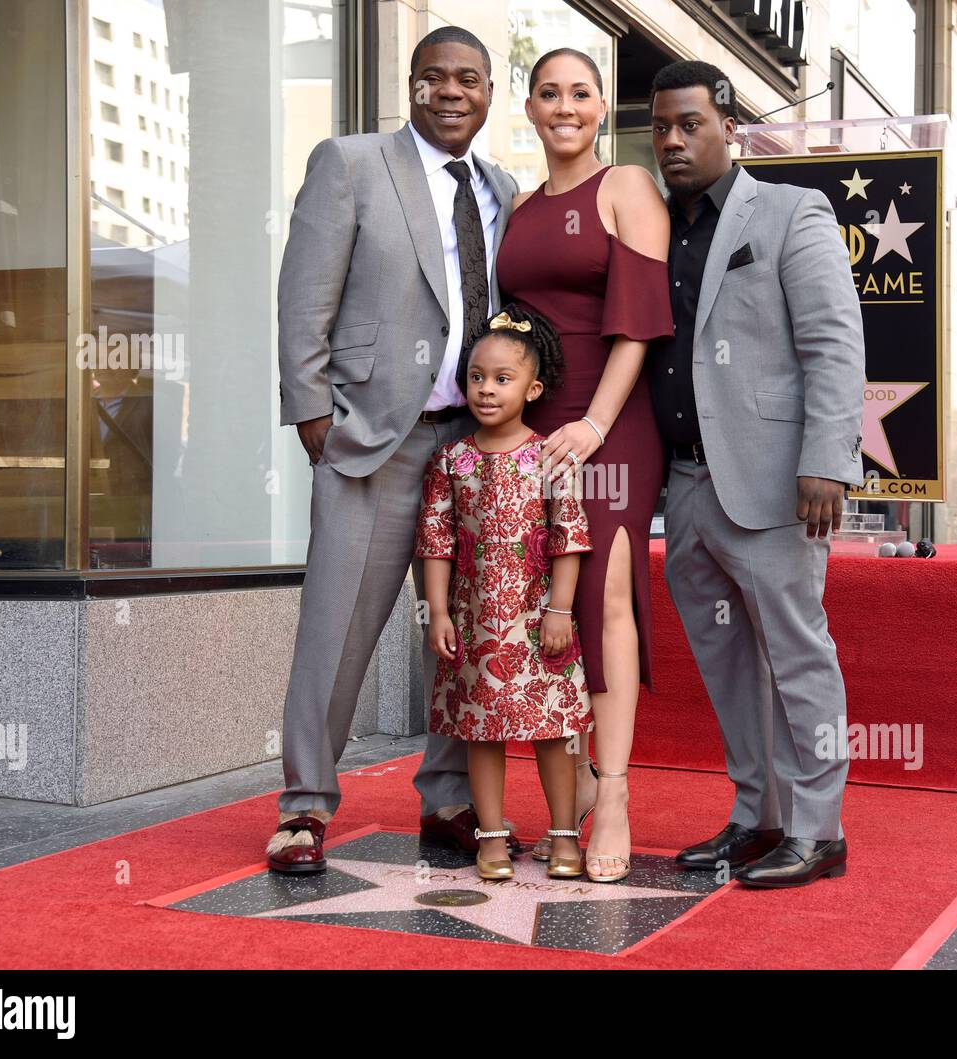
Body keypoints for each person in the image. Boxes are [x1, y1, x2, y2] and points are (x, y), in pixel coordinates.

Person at [268, 27, 521, 874]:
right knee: (336, 625)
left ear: (490, 93)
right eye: (435, 78)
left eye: (471, 80)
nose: (452, 93)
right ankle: (304, 806)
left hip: (471, 446)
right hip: (374, 439)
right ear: (411, 86)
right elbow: (305, 294)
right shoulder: (350, 162)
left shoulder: (502, 188)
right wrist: (313, 415)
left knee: (460, 631)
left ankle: (448, 798)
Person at [648, 61, 864, 888]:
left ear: (729, 126)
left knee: (799, 654)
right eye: (662, 126)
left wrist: (825, 461)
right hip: (689, 485)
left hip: (777, 483)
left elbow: (834, 345)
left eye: (690, 124)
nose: (673, 139)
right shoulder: (651, 227)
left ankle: (821, 829)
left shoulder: (790, 211)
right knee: (729, 664)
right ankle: (757, 815)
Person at [496, 48, 672, 881]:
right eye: (548, 93)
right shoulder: (521, 207)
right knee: (541, 600)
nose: (564, 106)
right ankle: (560, 810)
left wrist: (597, 423)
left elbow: (639, 322)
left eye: (581, 92)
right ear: (528, 107)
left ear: (602, 108)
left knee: (604, 592)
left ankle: (616, 793)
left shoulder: (625, 188)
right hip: (534, 431)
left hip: (613, 420)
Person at [416, 306, 593, 881]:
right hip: (474, 626)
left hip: (540, 620)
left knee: (551, 731)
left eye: (502, 378)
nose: (486, 390)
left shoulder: (549, 459)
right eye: (475, 377)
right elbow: (436, 541)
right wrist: (438, 611)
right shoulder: (452, 459)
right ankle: (491, 836)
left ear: (533, 388)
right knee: (482, 731)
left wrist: (560, 610)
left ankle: (565, 834)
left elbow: (569, 536)